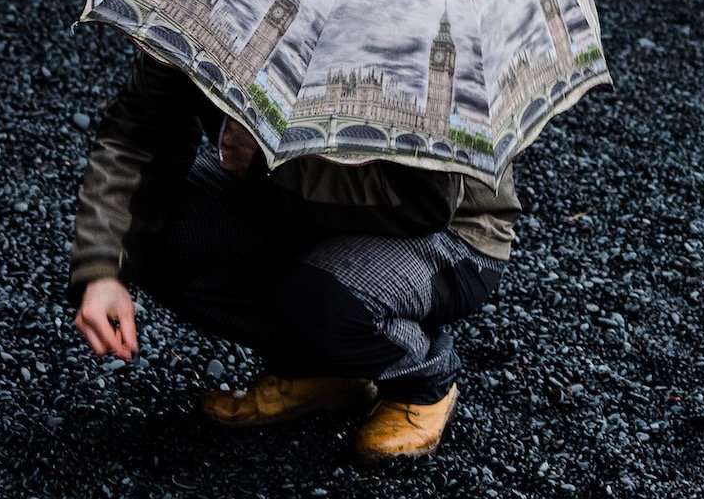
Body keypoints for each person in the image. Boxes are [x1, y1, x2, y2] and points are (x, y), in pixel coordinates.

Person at [66, 46, 521, 460]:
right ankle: (321, 371)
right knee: (147, 226)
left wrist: (271, 170)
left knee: (322, 292)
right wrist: (103, 268)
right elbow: (139, 133)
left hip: (448, 231)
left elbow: (426, 200)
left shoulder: (399, 27)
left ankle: (422, 378)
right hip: (301, 207)